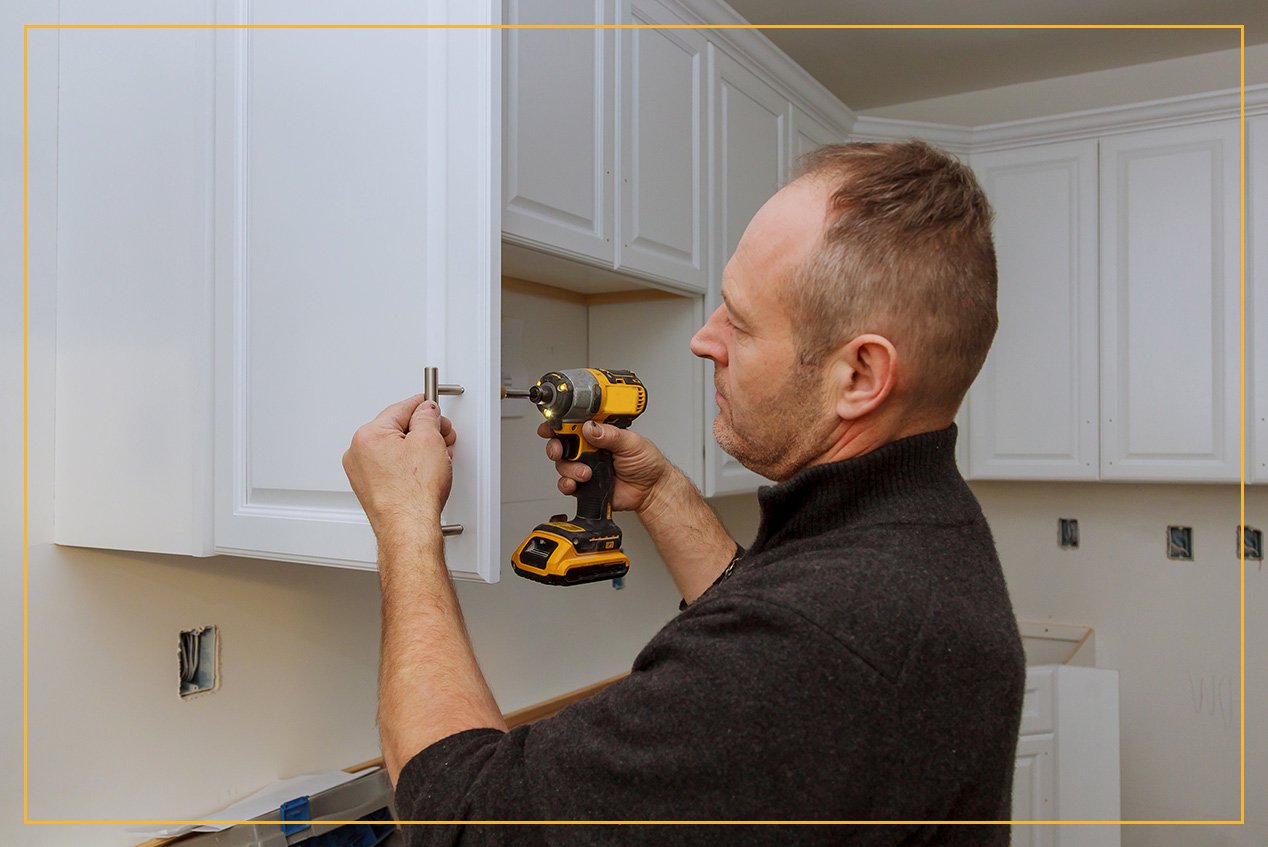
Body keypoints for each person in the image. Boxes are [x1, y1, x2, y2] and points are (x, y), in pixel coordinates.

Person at [342, 140, 1025, 845]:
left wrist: (404, 523)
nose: (704, 340)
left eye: (739, 317)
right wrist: (663, 492)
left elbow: (465, 820)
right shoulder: (920, 535)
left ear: (858, 375)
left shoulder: (819, 638)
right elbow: (777, 608)